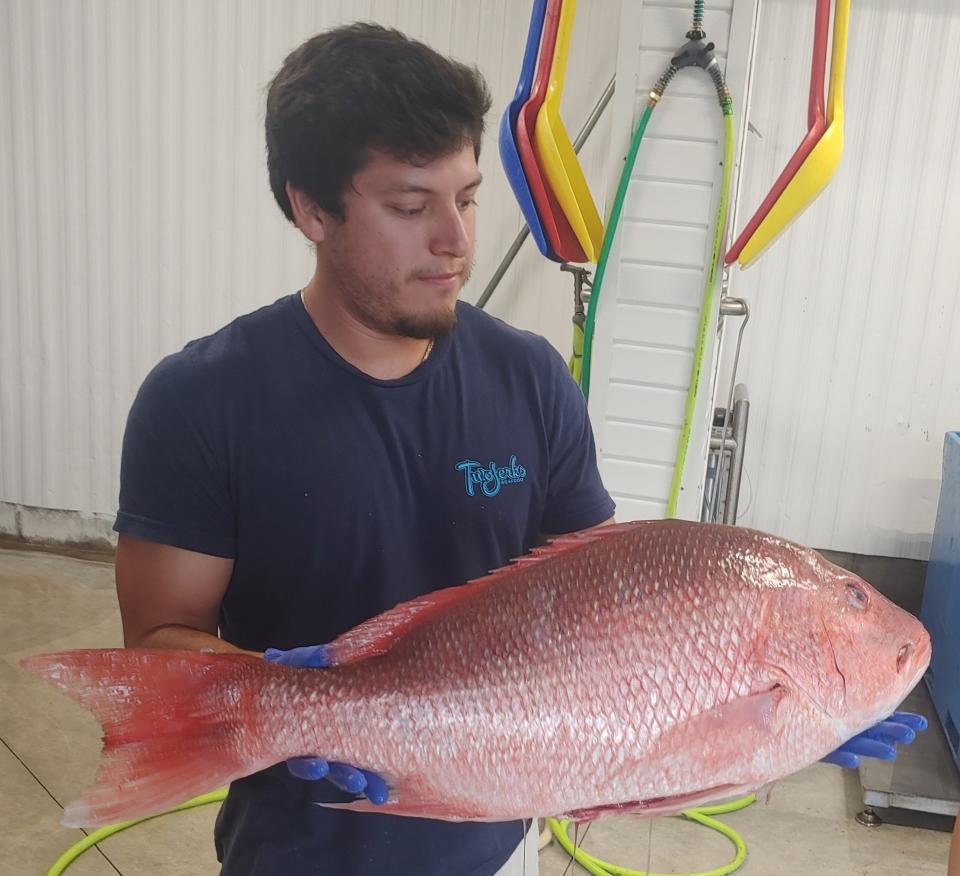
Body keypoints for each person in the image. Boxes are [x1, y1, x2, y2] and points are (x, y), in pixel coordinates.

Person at [113, 20, 925, 876]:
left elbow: (601, 606)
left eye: (465, 198)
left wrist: (767, 724)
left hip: (498, 847)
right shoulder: (200, 400)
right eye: (409, 206)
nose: (456, 242)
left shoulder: (532, 378)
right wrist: (287, 696)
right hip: (298, 849)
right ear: (308, 207)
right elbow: (158, 649)